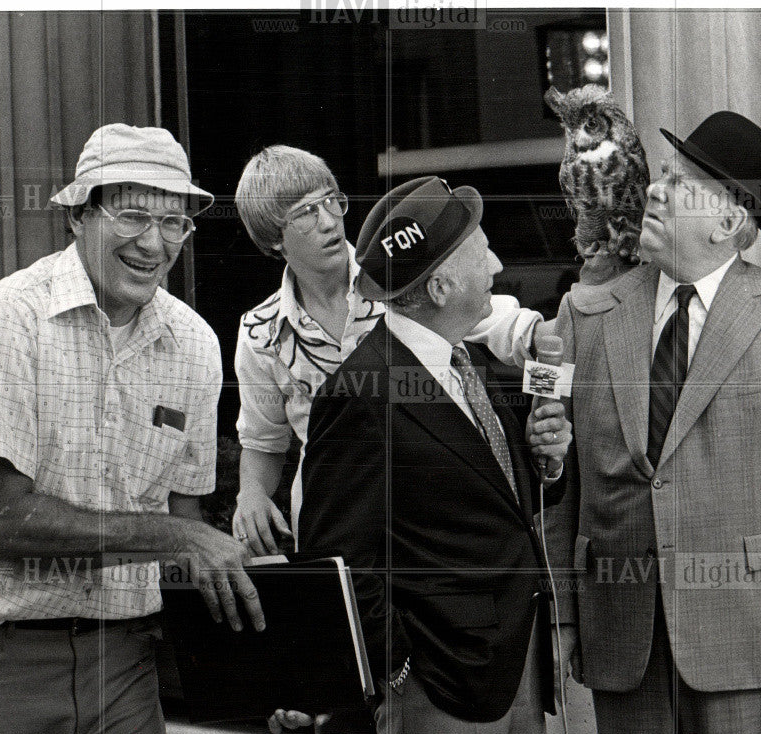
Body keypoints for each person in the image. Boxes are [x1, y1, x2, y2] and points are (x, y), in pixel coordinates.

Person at [0, 124, 265, 734]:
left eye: (174, 223)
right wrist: (180, 541)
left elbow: (184, 527)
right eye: (132, 214)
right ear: (78, 215)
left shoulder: (193, 344)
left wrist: (271, 626)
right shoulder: (8, 321)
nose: (155, 243)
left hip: (124, 667)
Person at [550, 111, 761, 734]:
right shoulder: (584, 313)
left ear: (727, 224)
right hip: (621, 643)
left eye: (681, 184)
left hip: (754, 644)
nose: (655, 192)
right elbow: (560, 478)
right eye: (661, 176)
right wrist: (564, 618)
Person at [297, 176, 571, 734]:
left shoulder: (462, 360)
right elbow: (337, 559)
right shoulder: (359, 392)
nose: (498, 264)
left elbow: (487, 500)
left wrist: (545, 464)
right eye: (482, 248)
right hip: (438, 693)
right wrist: (398, 671)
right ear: (442, 285)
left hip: (516, 672)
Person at [232, 145, 543, 557]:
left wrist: (562, 333)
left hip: (434, 509)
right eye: (305, 213)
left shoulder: (396, 275)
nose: (328, 221)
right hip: (342, 517)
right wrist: (250, 494)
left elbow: (504, 323)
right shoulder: (260, 331)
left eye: (331, 200)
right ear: (274, 239)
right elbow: (263, 440)